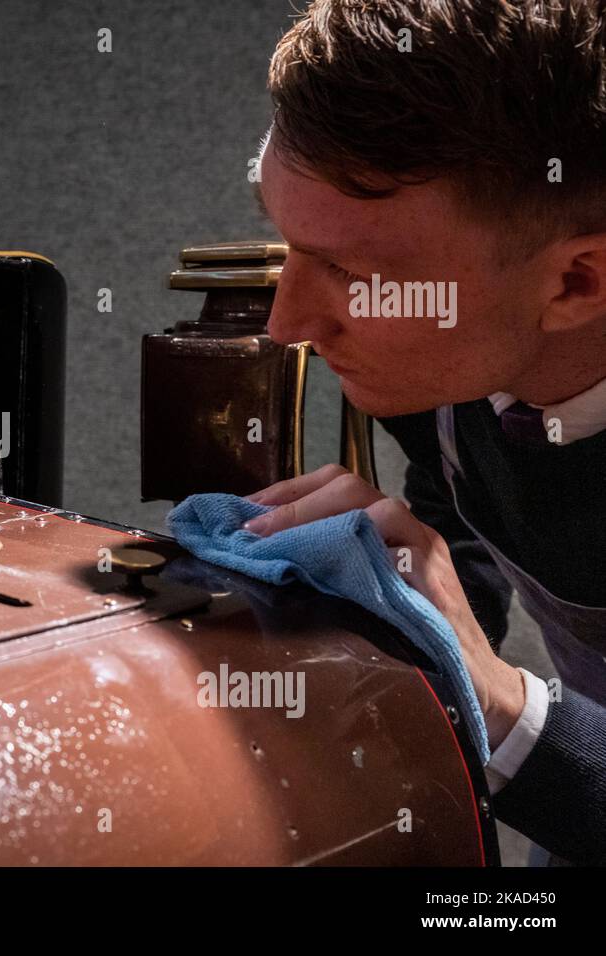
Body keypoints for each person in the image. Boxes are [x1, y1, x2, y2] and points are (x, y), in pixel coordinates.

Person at [249, 0, 606, 864]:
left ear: (578, 281)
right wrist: (402, 618)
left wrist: (496, 700)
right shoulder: (444, 368)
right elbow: (458, 505)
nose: (286, 323)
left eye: (349, 272)